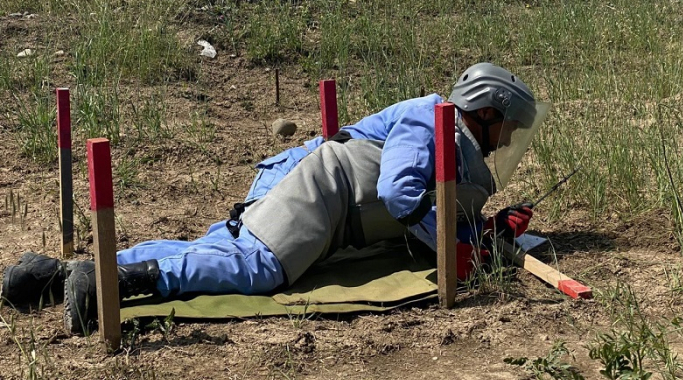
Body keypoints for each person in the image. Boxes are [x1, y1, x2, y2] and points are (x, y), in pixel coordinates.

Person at [1, 63, 549, 334]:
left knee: (222, 250)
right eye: (508, 129)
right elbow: (399, 191)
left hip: (315, 189)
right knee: (259, 269)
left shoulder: (450, 132)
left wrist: (477, 234)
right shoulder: (435, 122)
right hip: (322, 188)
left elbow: (429, 203)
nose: (507, 142)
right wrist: (453, 246)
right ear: (487, 113)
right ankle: (112, 284)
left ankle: (57, 274)